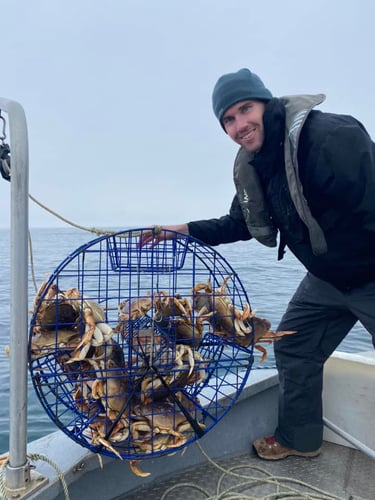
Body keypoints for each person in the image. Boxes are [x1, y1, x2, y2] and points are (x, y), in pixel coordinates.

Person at [140, 68, 375, 460]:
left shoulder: (331, 138)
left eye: (245, 110)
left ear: (266, 104)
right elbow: (241, 222)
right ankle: (299, 439)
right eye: (228, 120)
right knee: (294, 348)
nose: (239, 125)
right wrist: (184, 229)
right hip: (327, 279)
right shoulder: (254, 165)